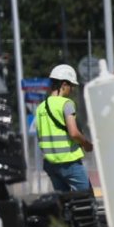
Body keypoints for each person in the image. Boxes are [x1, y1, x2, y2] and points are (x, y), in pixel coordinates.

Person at [36, 64, 93, 193]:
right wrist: (86, 144)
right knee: (85, 199)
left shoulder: (40, 108)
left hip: (50, 164)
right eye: (71, 85)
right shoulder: (66, 104)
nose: (72, 89)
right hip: (70, 163)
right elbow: (73, 133)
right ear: (63, 84)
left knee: (64, 202)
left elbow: (40, 137)